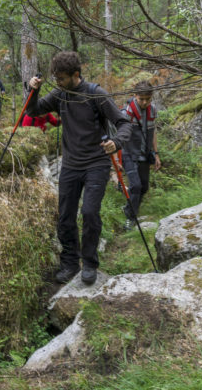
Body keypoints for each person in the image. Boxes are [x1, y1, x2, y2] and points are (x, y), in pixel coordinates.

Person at [26, 51, 132, 285]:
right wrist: (32, 90)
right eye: (55, 78)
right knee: (65, 216)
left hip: (96, 163)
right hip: (71, 165)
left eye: (61, 78)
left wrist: (117, 142)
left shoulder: (96, 94)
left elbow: (124, 123)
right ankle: (70, 262)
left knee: (90, 213)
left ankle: (90, 263)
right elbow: (33, 112)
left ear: (76, 75)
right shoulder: (59, 94)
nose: (58, 83)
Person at [120, 81, 161, 230]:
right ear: (135, 95)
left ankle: (128, 207)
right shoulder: (126, 113)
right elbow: (119, 135)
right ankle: (131, 218)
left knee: (143, 187)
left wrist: (156, 154)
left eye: (147, 99)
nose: (144, 102)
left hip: (145, 154)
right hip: (129, 153)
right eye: (141, 99)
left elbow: (153, 132)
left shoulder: (153, 110)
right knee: (136, 186)